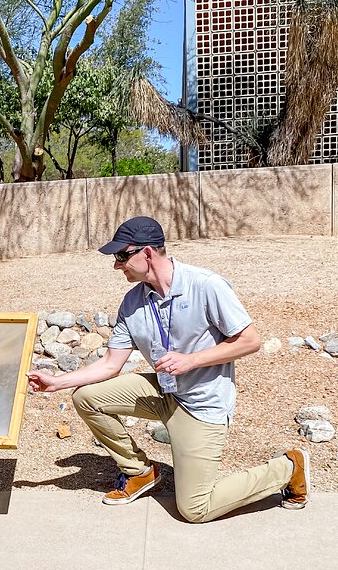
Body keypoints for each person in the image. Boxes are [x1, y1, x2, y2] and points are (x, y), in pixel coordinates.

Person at [27, 216, 309, 523]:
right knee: (87, 397)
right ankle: (141, 472)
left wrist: (191, 360)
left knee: (195, 510)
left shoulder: (205, 285)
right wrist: (57, 382)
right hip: (163, 391)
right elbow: (111, 364)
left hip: (202, 405)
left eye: (122, 256)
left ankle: (288, 467)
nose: (116, 265)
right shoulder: (132, 302)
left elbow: (250, 341)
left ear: (146, 253)